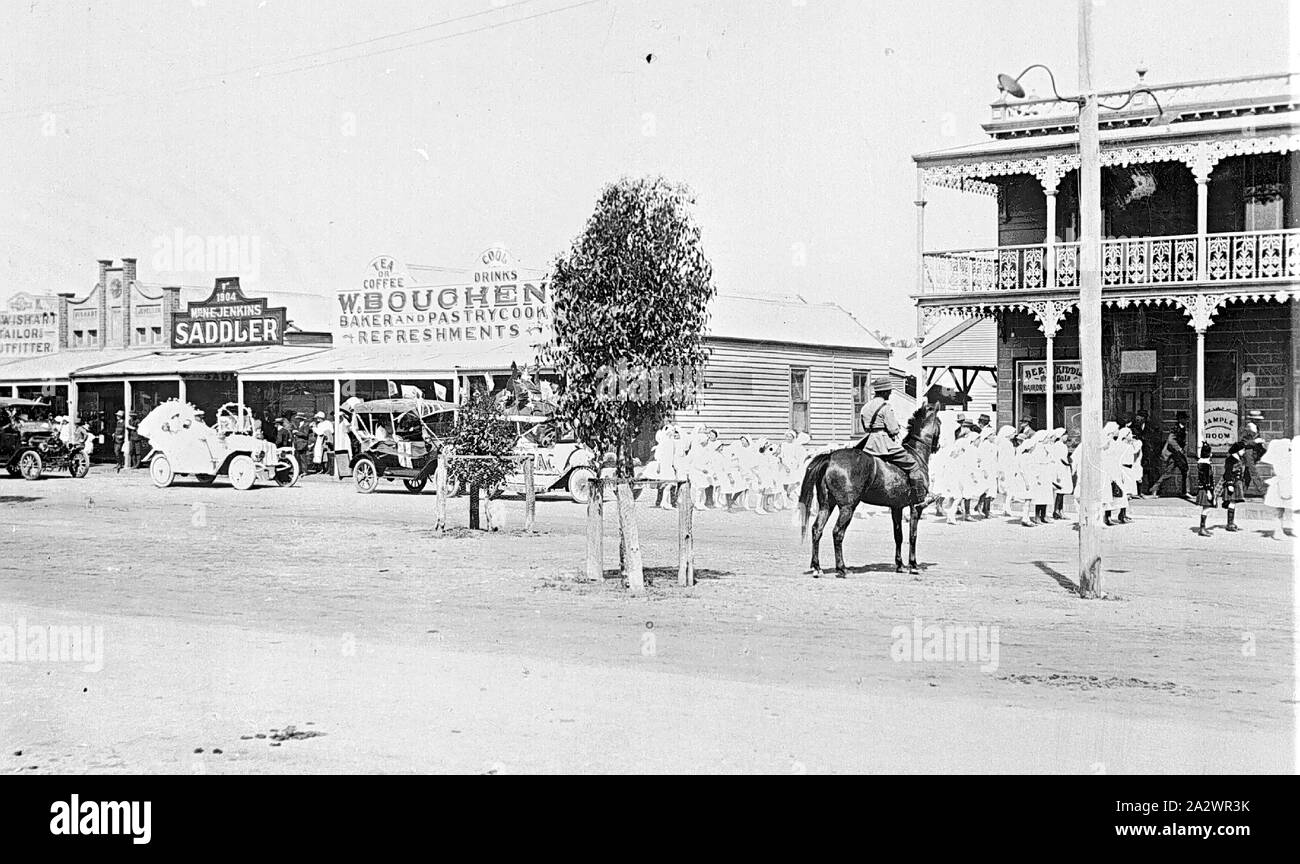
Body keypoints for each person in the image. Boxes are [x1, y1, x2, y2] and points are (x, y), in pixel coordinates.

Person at [855, 381, 926, 500]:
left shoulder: (865, 407)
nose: (890, 393)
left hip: (869, 443)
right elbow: (893, 430)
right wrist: (896, 428)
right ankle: (918, 497)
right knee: (913, 464)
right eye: (888, 391)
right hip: (884, 443)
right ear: (883, 392)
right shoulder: (885, 407)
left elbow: (865, 427)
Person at [1156, 412, 1189, 497]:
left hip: (1178, 455)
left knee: (1184, 471)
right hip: (1175, 454)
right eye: (1184, 418)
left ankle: (1185, 491)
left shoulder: (1183, 428)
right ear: (1180, 419)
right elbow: (1171, 440)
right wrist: (1179, 448)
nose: (1186, 420)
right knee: (1168, 473)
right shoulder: (1176, 428)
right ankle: (1155, 489)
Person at [1220, 441, 1248, 532]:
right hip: (1232, 484)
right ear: (1238, 450)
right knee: (1232, 502)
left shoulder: (1240, 458)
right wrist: (1229, 484)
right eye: (1242, 449)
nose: (1244, 451)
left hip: (1237, 483)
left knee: (1234, 502)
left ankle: (1231, 522)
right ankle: (1230, 523)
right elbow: (1227, 473)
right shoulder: (1230, 459)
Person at [1128, 410, 1158, 495]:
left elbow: (1152, 438)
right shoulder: (1133, 427)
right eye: (1138, 417)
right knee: (1137, 470)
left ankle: (1150, 489)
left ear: (1144, 419)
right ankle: (1138, 491)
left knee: (1149, 471)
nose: (1138, 419)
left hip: (1147, 452)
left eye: (1141, 417)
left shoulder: (1150, 427)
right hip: (1137, 451)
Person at [1049, 428, 1073, 520]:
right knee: (1060, 491)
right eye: (1065, 435)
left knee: (1062, 492)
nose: (1066, 436)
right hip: (1060, 469)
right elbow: (1060, 459)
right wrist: (1068, 465)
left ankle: (1060, 510)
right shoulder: (1059, 446)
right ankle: (1057, 511)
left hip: (1063, 469)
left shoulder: (1061, 445)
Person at [1194, 443, 1216, 536]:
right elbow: (1205, 480)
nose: (1211, 454)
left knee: (1206, 508)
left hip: (1205, 489)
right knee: (1206, 509)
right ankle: (1202, 528)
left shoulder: (1203, 464)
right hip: (1205, 490)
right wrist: (1209, 492)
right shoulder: (1205, 465)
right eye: (1210, 452)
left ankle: (1203, 528)